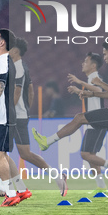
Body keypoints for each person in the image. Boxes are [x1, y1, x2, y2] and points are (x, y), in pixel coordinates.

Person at [33, 42, 108, 202]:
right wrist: (88, 93)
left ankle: (48, 141)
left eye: (105, 54)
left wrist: (94, 85)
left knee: (80, 121)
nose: (105, 57)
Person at [7, 37, 67, 197]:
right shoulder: (22, 67)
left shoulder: (18, 68)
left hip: (15, 116)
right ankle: (54, 176)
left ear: (15, 51)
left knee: (4, 153)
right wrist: (26, 108)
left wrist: (10, 110)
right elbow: (31, 90)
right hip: (20, 114)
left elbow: (18, 91)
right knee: (17, 153)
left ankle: (14, 189)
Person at [0, 29, 30, 207]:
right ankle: (22, 189)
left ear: (2, 43)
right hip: (8, 114)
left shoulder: (1, 61)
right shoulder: (9, 62)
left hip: (1, 115)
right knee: (4, 155)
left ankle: (10, 194)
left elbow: (0, 85)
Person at [67, 52, 108, 193]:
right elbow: (94, 96)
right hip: (93, 121)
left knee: (85, 154)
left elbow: (98, 90)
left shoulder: (95, 78)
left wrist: (79, 82)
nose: (82, 64)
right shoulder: (91, 78)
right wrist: (79, 91)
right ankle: (101, 187)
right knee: (91, 156)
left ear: (93, 65)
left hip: (97, 121)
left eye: (86, 61)